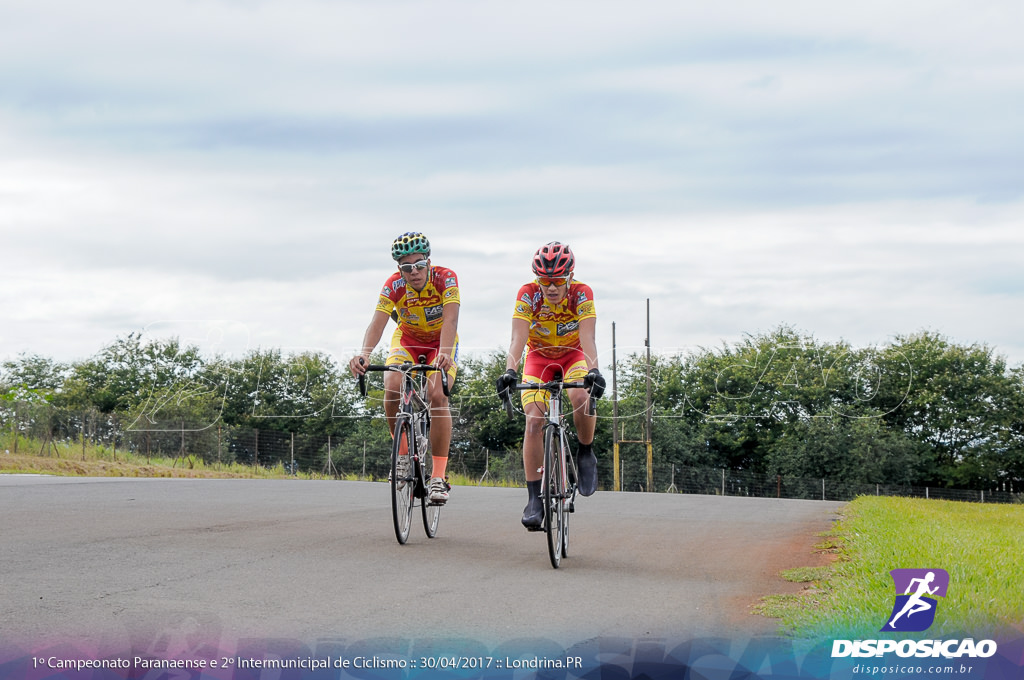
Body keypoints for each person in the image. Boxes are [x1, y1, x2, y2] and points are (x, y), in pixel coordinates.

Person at [496, 241, 606, 529]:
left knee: (581, 395)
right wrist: (510, 370)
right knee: (533, 420)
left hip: (573, 356)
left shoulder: (582, 293)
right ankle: (534, 498)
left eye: (557, 281)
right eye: (545, 281)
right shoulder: (528, 294)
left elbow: (588, 338)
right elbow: (517, 340)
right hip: (538, 359)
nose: (551, 288)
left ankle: (585, 452)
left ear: (570, 276)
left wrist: (593, 370)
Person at [349, 232, 460, 503]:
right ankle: (401, 454)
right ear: (399, 269)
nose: (414, 272)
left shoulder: (446, 278)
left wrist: (444, 354)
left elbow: (451, 320)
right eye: (406, 267)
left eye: (419, 265)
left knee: (437, 396)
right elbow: (378, 322)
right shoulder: (394, 285)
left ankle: (437, 477)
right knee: (392, 385)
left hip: (439, 343)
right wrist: (364, 353)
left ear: (428, 262)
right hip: (408, 340)